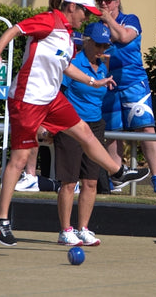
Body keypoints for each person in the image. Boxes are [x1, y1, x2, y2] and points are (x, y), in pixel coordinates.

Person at [0, 0, 150, 247]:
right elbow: (15, 30)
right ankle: (1, 220)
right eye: (85, 11)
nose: (86, 16)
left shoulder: (67, 34)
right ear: (71, 6)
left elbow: (66, 66)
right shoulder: (48, 20)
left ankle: (117, 172)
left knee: (84, 131)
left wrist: (93, 82)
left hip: (51, 99)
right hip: (27, 99)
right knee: (18, 160)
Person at [96, 0, 156, 194]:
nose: (105, 4)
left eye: (109, 0)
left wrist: (108, 20)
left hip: (134, 82)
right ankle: (116, 178)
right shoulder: (98, 26)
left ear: (117, 1)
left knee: (145, 128)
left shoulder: (131, 20)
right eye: (101, 0)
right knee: (111, 133)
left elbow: (124, 37)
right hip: (109, 83)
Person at [55, 22, 114, 246]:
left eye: (105, 45)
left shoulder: (103, 65)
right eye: (97, 44)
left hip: (95, 125)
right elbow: (58, 92)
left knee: (91, 181)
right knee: (69, 182)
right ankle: (65, 230)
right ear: (86, 41)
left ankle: (83, 229)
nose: (101, 49)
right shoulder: (72, 63)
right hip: (71, 125)